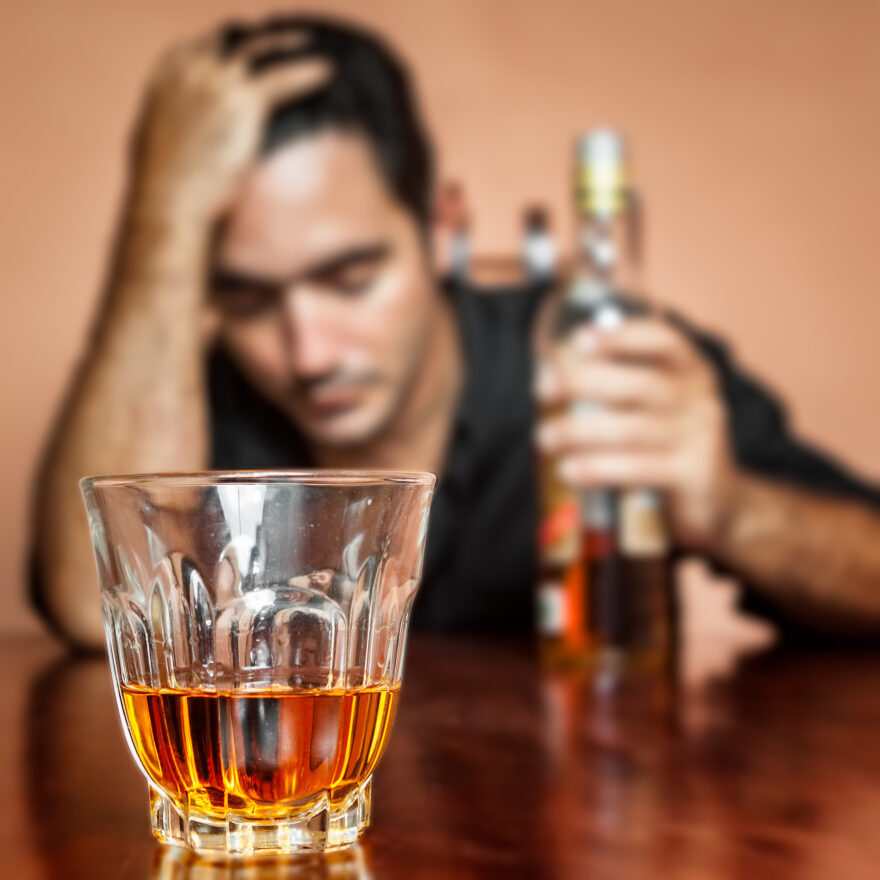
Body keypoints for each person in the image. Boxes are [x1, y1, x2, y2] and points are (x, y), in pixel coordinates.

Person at [32, 15, 880, 652]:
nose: (309, 352)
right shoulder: (181, 398)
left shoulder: (592, 364)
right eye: (248, 300)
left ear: (444, 230)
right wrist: (163, 219)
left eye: (351, 277)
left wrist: (733, 510)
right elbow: (85, 605)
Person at [521, 204, 557, 283]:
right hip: (533, 274)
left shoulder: (546, 237)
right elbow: (526, 258)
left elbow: (549, 258)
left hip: (545, 274)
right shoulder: (528, 238)